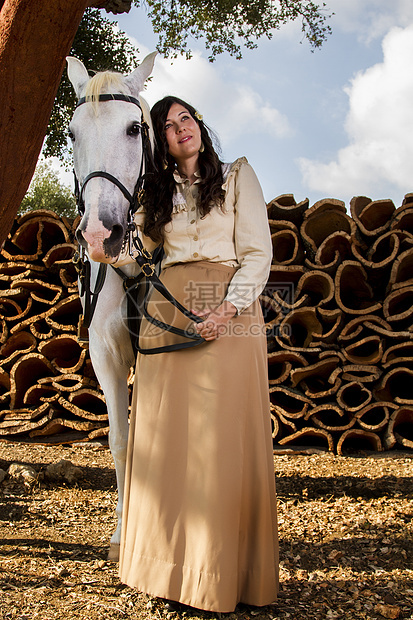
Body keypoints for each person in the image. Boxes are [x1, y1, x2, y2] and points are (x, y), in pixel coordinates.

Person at [114, 95, 279, 613]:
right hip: (169, 316)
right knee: (168, 443)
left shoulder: (235, 176)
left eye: (185, 118)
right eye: (167, 126)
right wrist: (105, 246)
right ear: (160, 142)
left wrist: (227, 310)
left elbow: (257, 253)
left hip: (224, 308)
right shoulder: (156, 197)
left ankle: (220, 575)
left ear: (199, 125)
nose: (180, 128)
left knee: (220, 443)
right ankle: (164, 571)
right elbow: (133, 260)